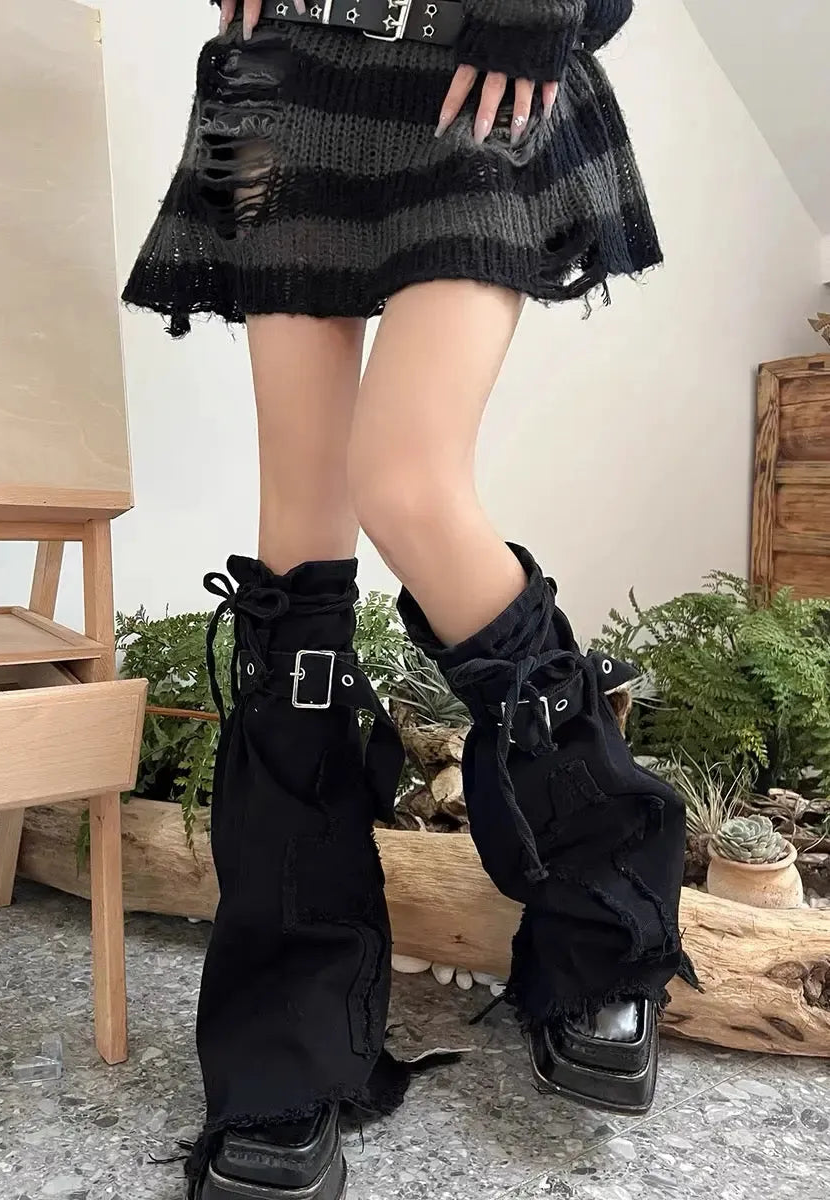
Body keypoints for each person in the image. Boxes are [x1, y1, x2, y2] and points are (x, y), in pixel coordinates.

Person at [124, 2, 694, 1197]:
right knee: (296, 547)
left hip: (478, 64)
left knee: (408, 484)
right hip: (280, 81)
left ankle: (607, 906)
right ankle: (289, 1031)